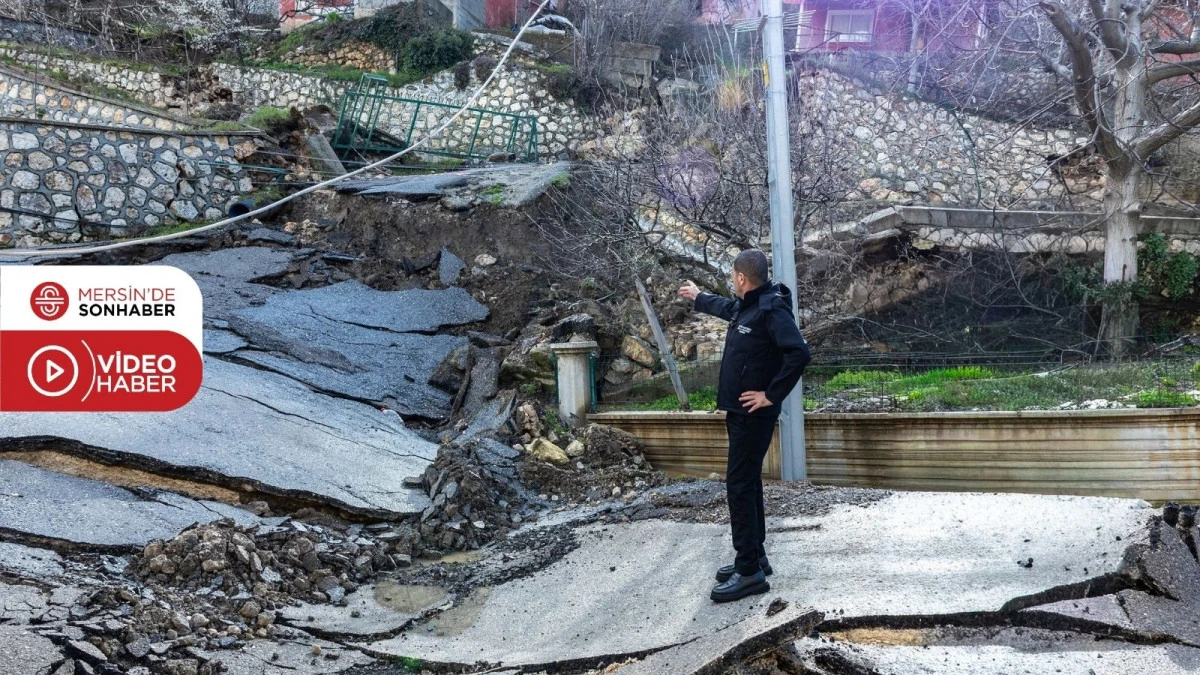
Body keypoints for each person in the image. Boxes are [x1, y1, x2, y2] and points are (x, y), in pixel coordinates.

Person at [678, 249, 811, 603]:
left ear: (741, 277)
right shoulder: (751, 303)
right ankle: (756, 557)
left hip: (754, 414)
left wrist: (771, 394)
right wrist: (699, 297)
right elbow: (728, 308)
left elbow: (799, 352)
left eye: (732, 275)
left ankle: (748, 571)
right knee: (748, 481)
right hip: (740, 413)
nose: (731, 281)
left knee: (738, 485)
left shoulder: (770, 308)